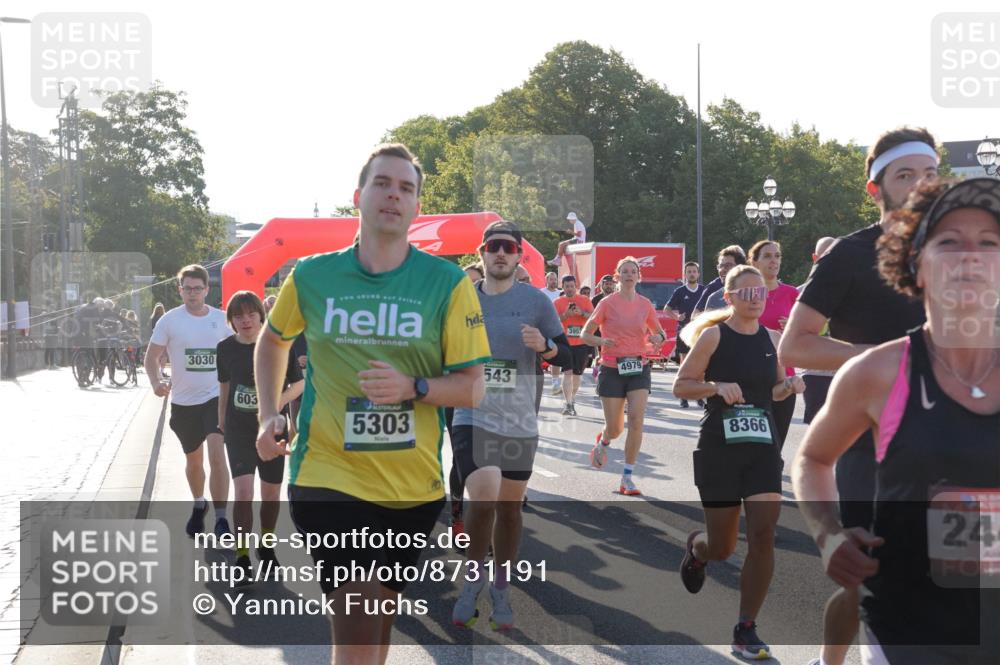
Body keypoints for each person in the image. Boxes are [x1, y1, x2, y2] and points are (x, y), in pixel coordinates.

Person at [254, 143, 490, 665]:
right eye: (383, 183)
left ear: (417, 207)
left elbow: (474, 387)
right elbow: (272, 341)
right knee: (359, 619)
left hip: (412, 488)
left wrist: (414, 387)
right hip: (328, 476)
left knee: (377, 622)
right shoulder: (312, 275)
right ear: (359, 195)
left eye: (406, 188)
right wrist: (268, 412)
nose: (393, 195)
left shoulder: (447, 284)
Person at [793, 176, 1000, 665]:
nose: (970, 257)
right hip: (907, 630)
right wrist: (829, 534)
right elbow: (814, 458)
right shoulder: (877, 373)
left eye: (989, 243)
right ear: (916, 263)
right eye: (949, 242)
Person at [778, 127, 938, 665]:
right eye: (905, 175)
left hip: (954, 439)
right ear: (876, 189)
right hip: (871, 441)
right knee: (871, 577)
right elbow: (795, 344)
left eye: (930, 173)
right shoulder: (849, 255)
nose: (921, 185)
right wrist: (880, 363)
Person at [674, 264, 805, 660]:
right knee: (723, 547)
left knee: (764, 534)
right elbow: (682, 385)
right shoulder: (714, 336)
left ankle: (746, 627)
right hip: (719, 448)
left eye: (760, 292)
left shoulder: (773, 339)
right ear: (729, 298)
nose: (755, 298)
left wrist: (788, 386)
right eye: (746, 292)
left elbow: (774, 392)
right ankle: (699, 550)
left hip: (762, 446)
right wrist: (715, 387)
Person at [451, 220, 570, 630]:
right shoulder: (462, 299)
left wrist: (546, 347)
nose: (501, 253)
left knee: (509, 509)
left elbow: (569, 355)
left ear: (519, 256)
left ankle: (500, 584)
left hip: (519, 419)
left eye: (509, 247)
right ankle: (473, 579)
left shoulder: (535, 301)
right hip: (472, 413)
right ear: (482, 253)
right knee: (483, 494)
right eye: (493, 247)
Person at [216, 290, 304, 582]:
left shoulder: (279, 346)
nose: (246, 320)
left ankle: (266, 545)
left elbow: (299, 384)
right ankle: (242, 557)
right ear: (231, 320)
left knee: (270, 494)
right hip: (238, 430)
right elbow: (225, 387)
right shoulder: (225, 348)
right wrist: (221, 419)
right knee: (243, 493)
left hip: (273, 429)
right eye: (238, 316)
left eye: (251, 314)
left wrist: (277, 405)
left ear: (261, 316)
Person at [144, 265, 233, 539]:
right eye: (187, 288)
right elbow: (151, 357)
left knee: (217, 456)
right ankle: (199, 503)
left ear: (207, 290)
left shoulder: (221, 320)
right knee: (194, 462)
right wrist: (156, 382)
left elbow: (239, 352)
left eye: (197, 288)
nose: (192, 293)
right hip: (183, 403)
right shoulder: (169, 321)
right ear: (180, 290)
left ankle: (221, 519)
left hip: (216, 398)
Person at [581, 257, 666, 496]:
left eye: (633, 271)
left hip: (639, 366)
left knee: (637, 420)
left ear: (639, 277)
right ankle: (604, 441)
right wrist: (602, 340)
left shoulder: (645, 304)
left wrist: (657, 338)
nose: (629, 275)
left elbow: (659, 333)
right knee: (615, 428)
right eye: (625, 272)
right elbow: (586, 334)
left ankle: (627, 477)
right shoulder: (607, 303)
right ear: (618, 277)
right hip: (611, 368)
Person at [447, 262, 488, 545]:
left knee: (491, 459)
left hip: (495, 395)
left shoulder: (496, 311)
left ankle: (487, 523)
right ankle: (457, 517)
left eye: (476, 283)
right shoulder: (449, 310)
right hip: (456, 392)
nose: (471, 288)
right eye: (466, 283)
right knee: (461, 459)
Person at [747, 240, 800, 450]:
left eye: (777, 256)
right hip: (751, 376)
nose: (774, 261)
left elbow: (806, 335)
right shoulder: (746, 294)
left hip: (784, 377)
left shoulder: (792, 293)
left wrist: (793, 328)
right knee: (752, 445)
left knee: (776, 445)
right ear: (755, 262)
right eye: (767, 256)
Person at [799, 237, 837, 425]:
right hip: (815, 374)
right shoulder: (801, 293)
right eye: (825, 255)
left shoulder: (855, 289)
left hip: (844, 371)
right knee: (817, 428)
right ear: (815, 258)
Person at [664, 261, 707, 407]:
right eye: (689, 271)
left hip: (700, 331)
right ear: (685, 274)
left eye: (694, 271)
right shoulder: (680, 291)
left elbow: (711, 307)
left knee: (700, 363)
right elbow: (667, 309)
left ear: (698, 274)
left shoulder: (704, 290)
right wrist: (677, 317)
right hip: (684, 330)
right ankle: (683, 395)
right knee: (684, 363)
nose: (692, 274)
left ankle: (699, 395)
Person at [553, 274, 594, 416]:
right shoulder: (557, 302)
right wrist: (566, 315)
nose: (570, 289)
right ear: (562, 287)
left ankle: (572, 398)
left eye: (572, 286)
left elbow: (594, 317)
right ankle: (568, 403)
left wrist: (581, 313)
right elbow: (553, 321)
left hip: (581, 343)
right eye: (567, 286)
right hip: (565, 343)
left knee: (577, 375)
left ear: (576, 286)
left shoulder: (584, 300)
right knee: (567, 373)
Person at [694, 246, 747, 315]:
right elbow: (695, 315)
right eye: (721, 266)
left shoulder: (753, 289)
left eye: (728, 265)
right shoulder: (713, 290)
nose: (723, 270)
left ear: (740, 267)